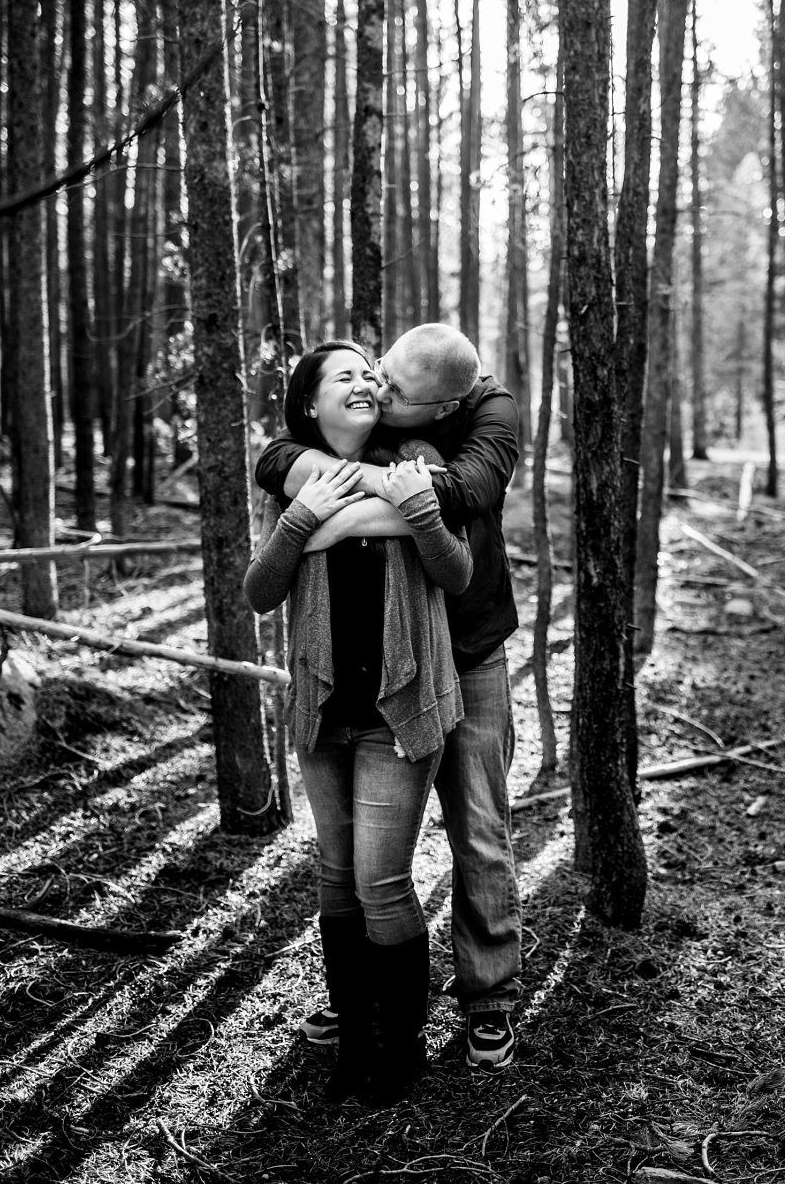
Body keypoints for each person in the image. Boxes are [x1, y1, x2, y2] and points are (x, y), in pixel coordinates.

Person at [255, 322, 524, 1073]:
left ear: (441, 407)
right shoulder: (372, 420)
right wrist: (329, 501)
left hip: (469, 651)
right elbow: (275, 457)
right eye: (372, 371)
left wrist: (323, 516)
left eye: (394, 388)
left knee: (477, 830)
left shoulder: (488, 414)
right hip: (379, 676)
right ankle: (359, 1003)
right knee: (355, 867)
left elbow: (462, 494)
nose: (377, 386)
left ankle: (489, 1002)